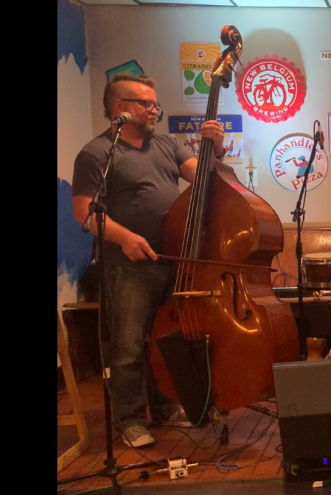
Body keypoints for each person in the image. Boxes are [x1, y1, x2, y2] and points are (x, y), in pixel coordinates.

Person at [71, 74, 226, 448]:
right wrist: (125, 238)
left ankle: (166, 406)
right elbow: (84, 213)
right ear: (119, 108)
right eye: (146, 103)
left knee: (164, 340)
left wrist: (216, 149)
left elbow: (205, 180)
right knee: (128, 346)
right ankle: (130, 420)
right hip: (128, 265)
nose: (154, 110)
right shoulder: (96, 153)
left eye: (155, 104)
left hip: (175, 258)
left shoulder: (167, 144)